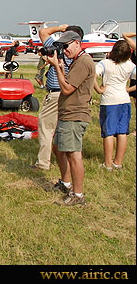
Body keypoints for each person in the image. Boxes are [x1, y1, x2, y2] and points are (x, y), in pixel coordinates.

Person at [45, 30, 96, 206]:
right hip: (67, 113)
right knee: (59, 148)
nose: (64, 50)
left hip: (74, 115)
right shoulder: (77, 61)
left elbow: (67, 89)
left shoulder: (83, 62)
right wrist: (61, 66)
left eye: (66, 46)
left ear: (76, 43)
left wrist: (58, 67)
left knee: (74, 155)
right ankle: (66, 184)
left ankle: (78, 194)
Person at [31, 24, 80, 172]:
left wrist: (60, 28)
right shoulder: (80, 56)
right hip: (69, 94)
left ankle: (43, 162)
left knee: (46, 126)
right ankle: (62, 157)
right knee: (62, 128)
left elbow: (43, 32)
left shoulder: (59, 48)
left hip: (56, 93)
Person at [94, 40, 136, 170]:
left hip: (109, 100)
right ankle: (118, 162)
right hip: (124, 99)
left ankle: (107, 163)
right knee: (122, 132)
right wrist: (128, 90)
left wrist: (99, 90)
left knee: (109, 133)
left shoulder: (105, 64)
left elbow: (92, 76)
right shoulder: (130, 65)